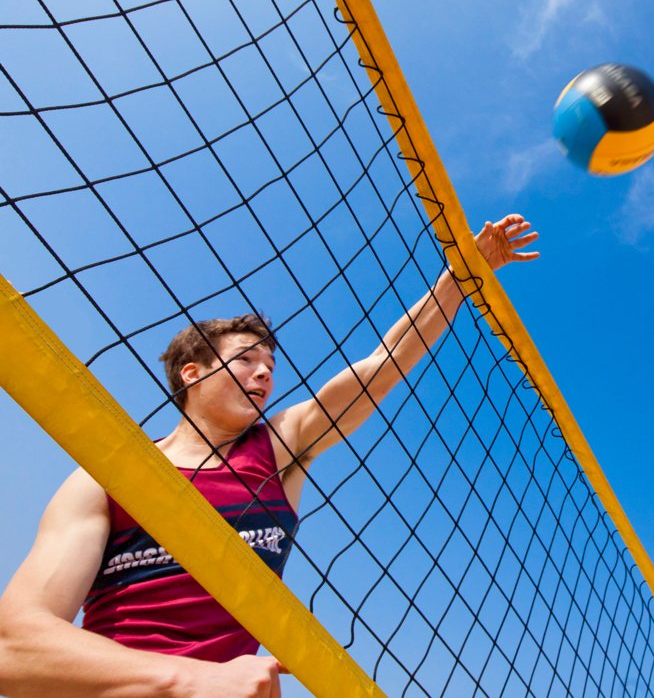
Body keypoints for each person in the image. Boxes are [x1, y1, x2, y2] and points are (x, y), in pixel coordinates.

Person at [0, 215, 538, 698]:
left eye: (271, 364)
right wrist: (189, 678)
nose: (266, 372)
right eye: (247, 359)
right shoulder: (107, 472)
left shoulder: (280, 446)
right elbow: (15, 648)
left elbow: (385, 363)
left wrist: (458, 279)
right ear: (192, 374)